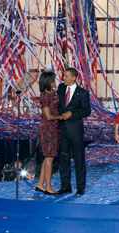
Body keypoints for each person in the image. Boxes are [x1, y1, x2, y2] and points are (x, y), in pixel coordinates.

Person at [57, 67, 91, 196]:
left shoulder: (82, 93)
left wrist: (72, 113)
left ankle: (80, 187)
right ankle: (65, 186)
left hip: (75, 130)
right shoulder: (61, 89)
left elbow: (87, 111)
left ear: (73, 78)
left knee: (79, 159)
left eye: (66, 76)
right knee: (64, 159)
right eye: (63, 76)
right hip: (63, 129)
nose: (63, 78)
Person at [36, 71, 62, 195]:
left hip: (54, 127)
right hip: (48, 127)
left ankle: (40, 184)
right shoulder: (45, 95)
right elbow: (48, 116)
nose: (54, 82)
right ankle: (48, 187)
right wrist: (62, 116)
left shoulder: (52, 93)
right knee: (49, 157)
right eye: (53, 80)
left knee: (48, 157)